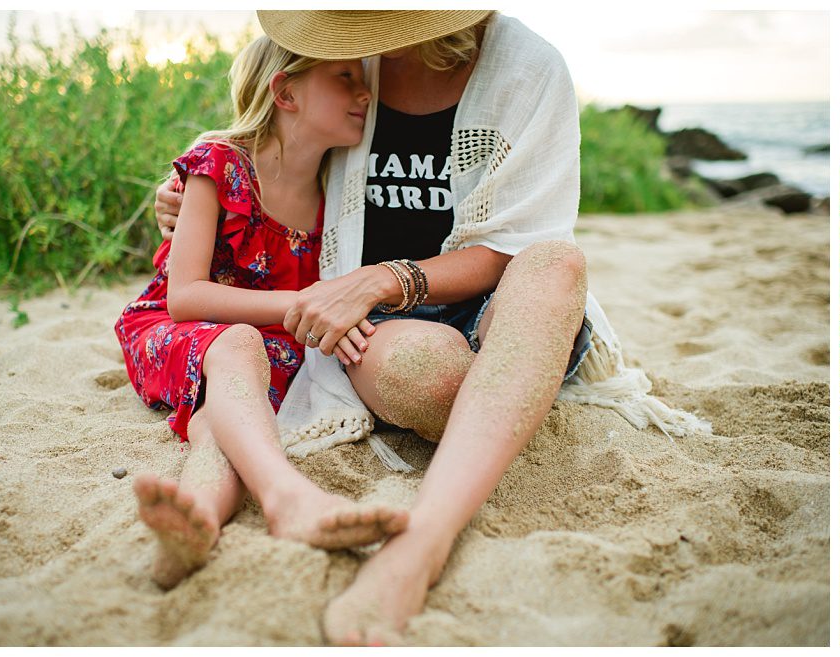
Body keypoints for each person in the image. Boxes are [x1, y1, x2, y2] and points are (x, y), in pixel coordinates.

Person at [154, 11, 706, 645]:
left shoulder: (529, 69)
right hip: (380, 323)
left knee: (558, 264)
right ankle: (502, 399)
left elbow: (519, 241)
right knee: (435, 378)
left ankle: (423, 543)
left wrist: (386, 278)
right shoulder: (338, 52)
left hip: (478, 296)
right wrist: (188, 195)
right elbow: (262, 143)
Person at [115, 35, 407, 590]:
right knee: (240, 346)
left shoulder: (337, 194)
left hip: (268, 347)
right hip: (172, 330)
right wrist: (305, 303)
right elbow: (185, 296)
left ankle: (197, 519)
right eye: (343, 77)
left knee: (222, 424)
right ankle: (286, 497)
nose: (364, 91)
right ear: (285, 92)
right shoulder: (220, 166)